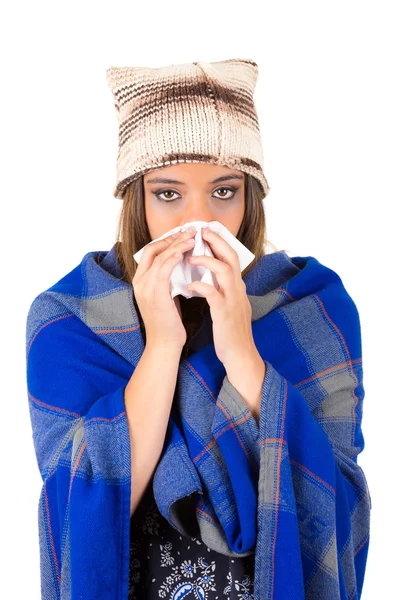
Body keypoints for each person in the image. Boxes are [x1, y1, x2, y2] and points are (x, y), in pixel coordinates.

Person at [25, 58, 371, 600]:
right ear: (135, 197)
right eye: (168, 194)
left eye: (224, 192)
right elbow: (81, 500)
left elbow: (334, 498)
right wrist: (163, 346)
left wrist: (243, 355)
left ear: (250, 196)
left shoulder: (312, 308)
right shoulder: (72, 319)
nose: (199, 221)